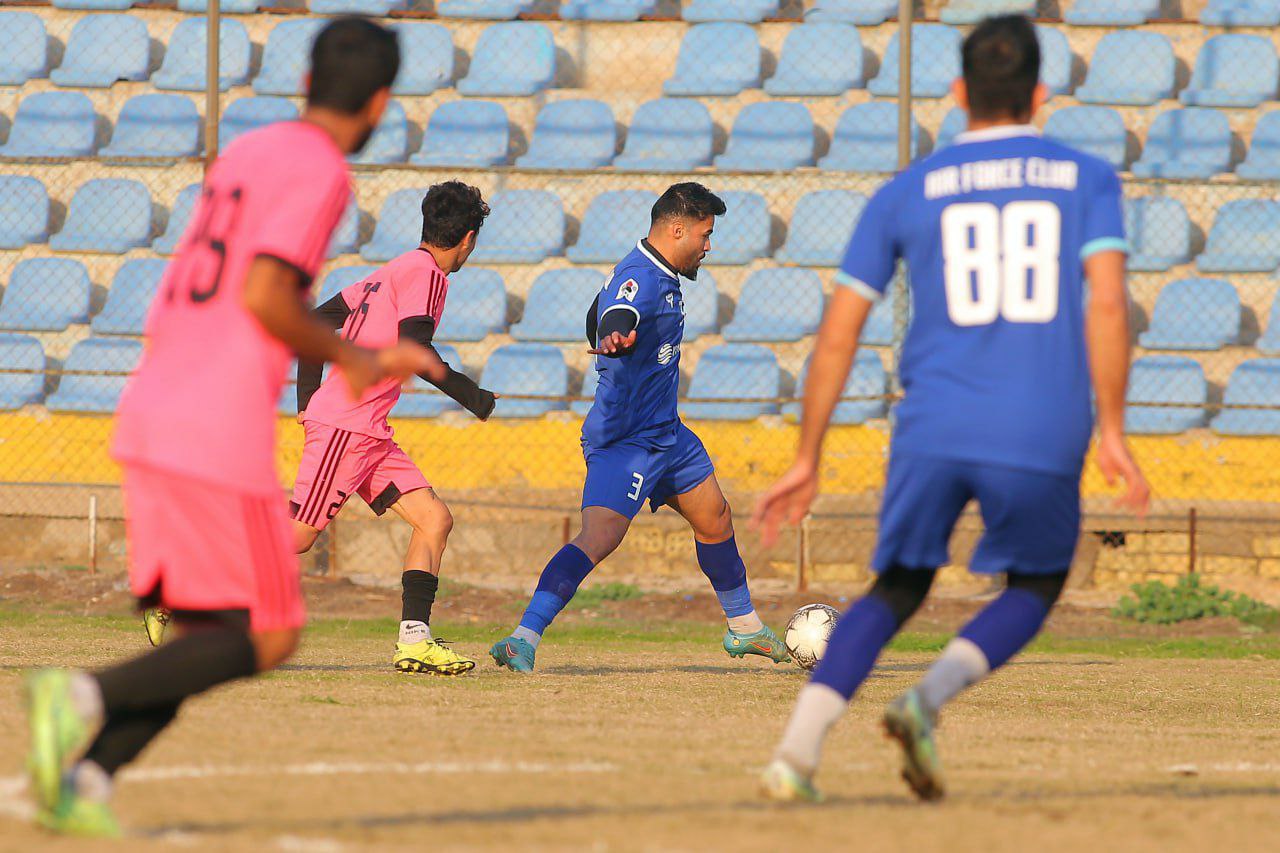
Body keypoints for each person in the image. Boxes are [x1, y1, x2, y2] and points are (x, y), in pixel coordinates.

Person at [22, 18, 441, 837]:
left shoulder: (252, 150)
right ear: (381, 103)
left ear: (305, 81)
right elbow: (263, 295)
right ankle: (78, 696)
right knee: (270, 631)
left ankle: (86, 781)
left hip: (157, 402)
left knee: (210, 633)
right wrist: (353, 356)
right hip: (212, 424)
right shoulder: (321, 169)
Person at [755, 14, 1149, 803]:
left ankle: (795, 755)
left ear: (958, 92)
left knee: (899, 585)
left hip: (932, 422)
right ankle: (925, 699)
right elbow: (1108, 305)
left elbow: (839, 332)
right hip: (1042, 421)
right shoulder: (1086, 178)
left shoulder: (906, 190)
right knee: (1035, 583)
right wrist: (1112, 428)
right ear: (1041, 93)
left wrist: (807, 456)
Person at [489, 182, 789, 673]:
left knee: (715, 517)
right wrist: (614, 332)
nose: (708, 247)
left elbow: (598, 312)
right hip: (625, 439)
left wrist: (609, 332)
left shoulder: (659, 273)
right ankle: (522, 638)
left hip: (667, 432)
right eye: (705, 235)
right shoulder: (640, 277)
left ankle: (745, 627)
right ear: (678, 229)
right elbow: (618, 310)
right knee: (600, 537)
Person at [292, 181, 497, 676]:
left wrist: (306, 400)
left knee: (433, 519)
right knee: (296, 538)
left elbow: (315, 324)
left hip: (368, 432)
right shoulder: (427, 275)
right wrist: (473, 396)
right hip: (347, 428)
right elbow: (415, 350)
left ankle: (415, 641)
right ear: (468, 239)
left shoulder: (392, 270)